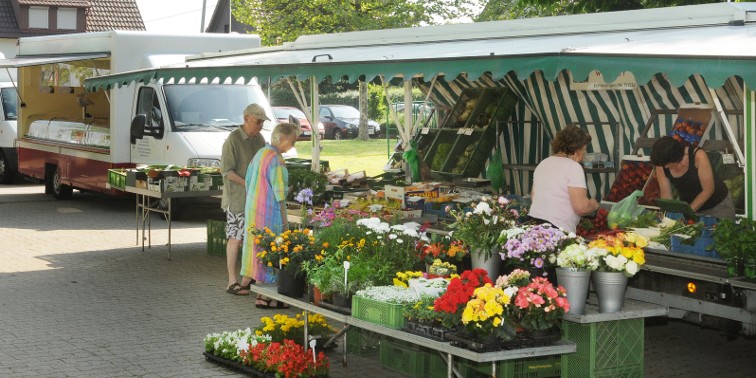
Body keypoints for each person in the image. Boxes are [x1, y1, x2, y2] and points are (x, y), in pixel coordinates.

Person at [240, 122, 301, 308]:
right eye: (292, 141)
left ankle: (260, 293)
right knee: (272, 251)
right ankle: (267, 297)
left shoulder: (260, 154)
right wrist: (285, 223)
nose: (293, 145)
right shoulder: (276, 160)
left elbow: (248, 181)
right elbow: (280, 195)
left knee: (258, 251)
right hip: (269, 213)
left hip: (253, 210)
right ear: (282, 139)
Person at [220, 103, 268, 295]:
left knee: (253, 239)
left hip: (255, 200)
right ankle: (232, 281)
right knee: (235, 238)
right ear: (246, 118)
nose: (260, 126)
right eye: (258, 121)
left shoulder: (260, 139)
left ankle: (247, 279)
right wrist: (248, 183)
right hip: (237, 199)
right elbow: (226, 171)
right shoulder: (233, 139)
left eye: (262, 122)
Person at [528, 125, 600, 233]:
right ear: (577, 149)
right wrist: (594, 204)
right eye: (584, 150)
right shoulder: (574, 167)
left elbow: (534, 197)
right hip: (557, 229)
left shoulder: (543, 163)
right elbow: (581, 208)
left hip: (534, 224)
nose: (584, 154)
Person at [650, 136, 735, 219]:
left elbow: (708, 190)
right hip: (690, 208)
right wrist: (669, 217)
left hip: (718, 207)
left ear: (675, 158)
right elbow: (666, 195)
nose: (665, 167)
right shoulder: (662, 164)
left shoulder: (698, 156)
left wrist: (687, 213)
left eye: (667, 164)